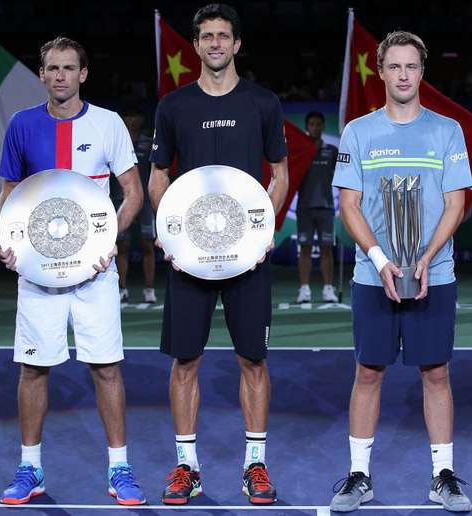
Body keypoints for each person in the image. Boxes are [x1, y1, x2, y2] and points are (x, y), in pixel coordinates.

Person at [0, 36, 145, 506]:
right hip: (37, 272)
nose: (60, 75)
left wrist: (109, 240)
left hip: (95, 274)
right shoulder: (21, 125)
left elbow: (133, 192)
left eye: (68, 68)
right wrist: (7, 240)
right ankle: (30, 469)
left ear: (83, 74)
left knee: (106, 369)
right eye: (52, 68)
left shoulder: (108, 124)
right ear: (42, 74)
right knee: (34, 368)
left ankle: (119, 469)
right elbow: (9, 195)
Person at [148, 3, 288, 506]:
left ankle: (256, 465)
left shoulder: (263, 103)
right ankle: (188, 465)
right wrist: (169, 233)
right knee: (186, 360)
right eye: (206, 36)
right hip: (190, 259)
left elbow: (280, 175)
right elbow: (159, 176)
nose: (214, 44)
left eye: (222, 36)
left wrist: (261, 234)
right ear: (196, 45)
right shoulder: (174, 106)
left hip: (247, 259)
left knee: (253, 359)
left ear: (236, 44)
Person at [329, 31, 472, 513]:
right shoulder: (358, 132)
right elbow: (349, 205)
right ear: (382, 71)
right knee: (368, 372)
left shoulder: (447, 130)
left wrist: (427, 258)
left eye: (412, 66)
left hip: (437, 273)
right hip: (375, 277)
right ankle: (358, 476)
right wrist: (380, 260)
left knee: (436, 372)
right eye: (395, 67)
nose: (404, 75)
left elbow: (457, 203)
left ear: (421, 71)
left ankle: (443, 476)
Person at [109, 106, 157, 304]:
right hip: (121, 199)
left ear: (140, 118)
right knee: (122, 245)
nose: (131, 119)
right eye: (127, 115)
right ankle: (122, 289)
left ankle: (149, 289)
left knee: (148, 244)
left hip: (144, 201)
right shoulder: (117, 142)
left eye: (135, 114)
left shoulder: (148, 143)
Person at [296, 111, 338, 304]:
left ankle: (328, 289)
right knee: (304, 249)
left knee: (326, 250)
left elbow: (344, 175)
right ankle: (304, 290)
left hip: (326, 207)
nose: (315, 127)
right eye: (311, 124)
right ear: (307, 127)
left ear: (323, 127)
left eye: (318, 124)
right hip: (304, 207)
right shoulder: (299, 151)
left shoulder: (331, 151)